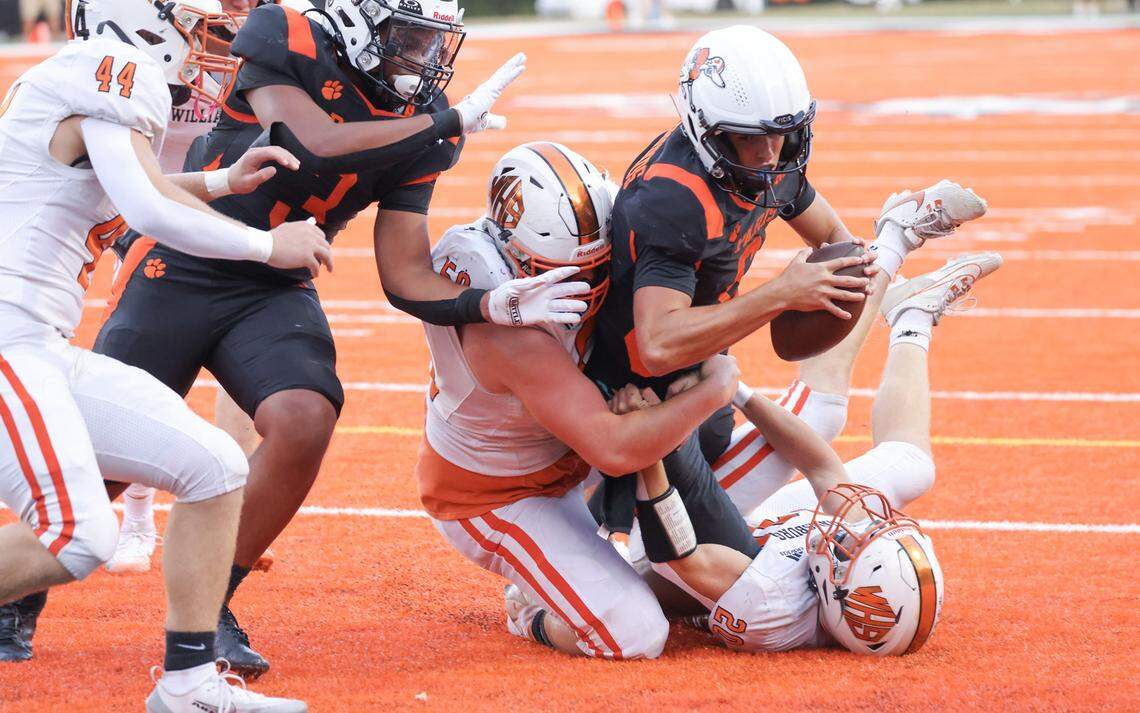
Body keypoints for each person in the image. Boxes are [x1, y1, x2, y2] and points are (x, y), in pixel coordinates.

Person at [91, 0, 583, 678]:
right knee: (100, 466)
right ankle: (17, 589)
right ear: (359, 20)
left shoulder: (424, 118)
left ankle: (209, 607)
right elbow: (314, 138)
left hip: (272, 279)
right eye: (410, 36)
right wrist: (438, 123)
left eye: (433, 41)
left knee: (305, 415)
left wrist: (488, 302)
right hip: (180, 258)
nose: (425, 57)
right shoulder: (284, 33)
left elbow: (404, 268)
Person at [0, 0, 329, 708]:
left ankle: (188, 684)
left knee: (213, 465)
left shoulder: (91, 74)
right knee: (79, 534)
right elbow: (148, 215)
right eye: (195, 19)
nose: (208, 37)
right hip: (6, 339)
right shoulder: (109, 69)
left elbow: (131, 189)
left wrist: (219, 182)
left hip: (36, 343)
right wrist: (270, 246)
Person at [419, 142, 740, 659]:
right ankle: (532, 613)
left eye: (601, 264)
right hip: (500, 495)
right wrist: (719, 387)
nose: (590, 284)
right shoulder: (505, 331)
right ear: (514, 255)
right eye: (568, 271)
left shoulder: (571, 246)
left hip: (568, 450)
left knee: (746, 445)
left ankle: (631, 566)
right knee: (637, 634)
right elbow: (613, 447)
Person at [584, 25, 882, 542]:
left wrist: (861, 260)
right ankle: (585, 543)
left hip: (700, 376)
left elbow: (834, 236)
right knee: (714, 556)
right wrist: (782, 294)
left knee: (720, 445)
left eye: (779, 133)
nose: (769, 153)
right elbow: (657, 344)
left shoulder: (770, 158)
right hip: (632, 394)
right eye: (748, 137)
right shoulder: (676, 197)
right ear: (708, 130)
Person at [626, 248, 1003, 654]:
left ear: (841, 596)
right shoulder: (837, 577)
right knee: (913, 468)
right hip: (747, 533)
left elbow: (682, 555)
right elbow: (819, 462)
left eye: (849, 547)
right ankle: (913, 318)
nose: (848, 532)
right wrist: (739, 393)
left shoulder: (773, 605)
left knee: (820, 409)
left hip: (661, 535)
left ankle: (890, 245)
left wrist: (650, 442)